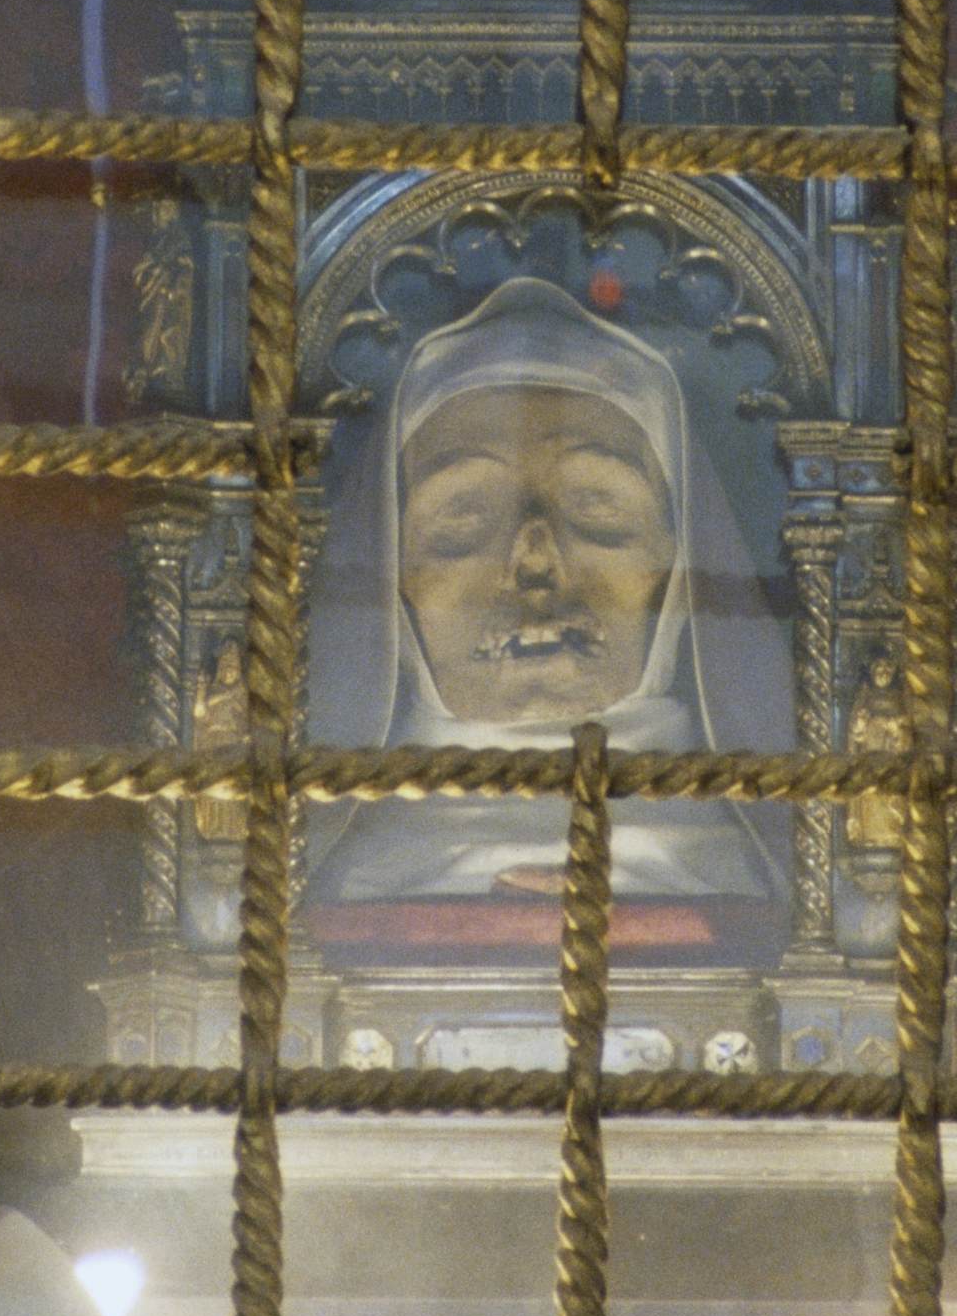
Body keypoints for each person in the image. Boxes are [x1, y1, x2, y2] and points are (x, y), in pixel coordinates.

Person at [303, 274, 787, 914]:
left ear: (675, 553)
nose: (533, 562)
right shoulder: (316, 892)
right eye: (466, 514)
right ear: (393, 566)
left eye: (595, 504)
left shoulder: (790, 881)